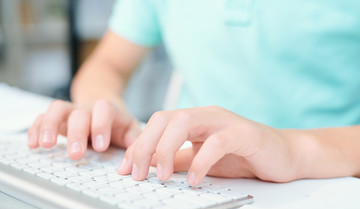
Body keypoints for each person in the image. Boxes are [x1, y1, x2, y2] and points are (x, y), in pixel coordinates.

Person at [27, 0, 360, 186]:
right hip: (187, 179)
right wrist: (105, 108)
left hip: (327, 185)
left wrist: (292, 149)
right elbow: (108, 64)